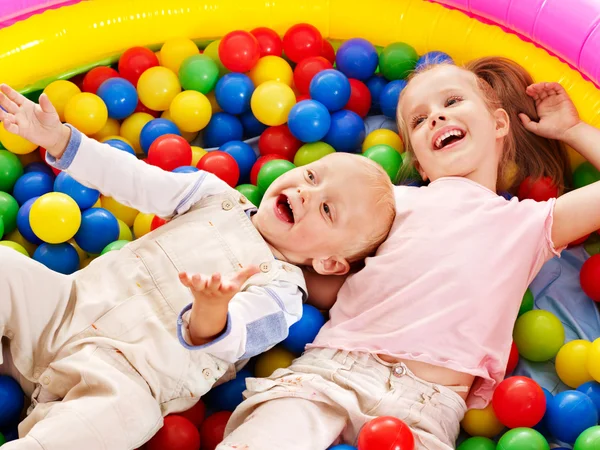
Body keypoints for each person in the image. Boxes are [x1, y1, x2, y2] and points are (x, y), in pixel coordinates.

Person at [216, 56, 600, 450]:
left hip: (424, 408)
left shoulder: (529, 223)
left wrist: (572, 130)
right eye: (418, 120)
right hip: (331, 371)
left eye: (451, 102)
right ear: (420, 163)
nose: (435, 117)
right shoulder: (391, 203)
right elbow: (324, 265)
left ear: (499, 124)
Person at [0, 83, 396, 450]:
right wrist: (61, 140)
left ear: (328, 262)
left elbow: (236, 333)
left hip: (128, 376)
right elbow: (134, 179)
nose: (306, 193)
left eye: (327, 209)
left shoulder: (283, 295)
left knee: (121, 417)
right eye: (311, 175)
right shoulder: (212, 195)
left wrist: (211, 308)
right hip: (67, 306)